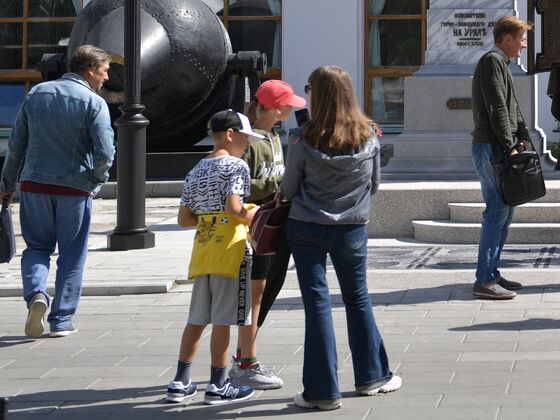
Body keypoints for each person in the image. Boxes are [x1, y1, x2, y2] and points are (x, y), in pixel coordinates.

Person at [282, 65, 401, 410]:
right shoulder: (370, 135)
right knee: (357, 297)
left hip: (307, 225)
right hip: (351, 227)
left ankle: (322, 392)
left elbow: (289, 188)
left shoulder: (302, 138)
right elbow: (374, 185)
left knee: (317, 304)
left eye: (309, 89)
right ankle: (372, 377)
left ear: (317, 95)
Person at [0, 44, 115, 339]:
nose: (106, 78)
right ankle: (61, 320)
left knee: (37, 248)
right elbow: (105, 152)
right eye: (104, 71)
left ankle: (37, 294)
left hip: (34, 186)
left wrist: (8, 184)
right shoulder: (94, 103)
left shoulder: (36, 94)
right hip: (74, 189)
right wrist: (95, 181)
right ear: (90, 70)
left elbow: (16, 145)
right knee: (72, 255)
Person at [164, 110, 264, 405]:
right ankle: (218, 384)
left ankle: (180, 382)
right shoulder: (236, 166)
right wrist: (255, 215)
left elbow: (184, 219)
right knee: (224, 319)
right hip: (231, 251)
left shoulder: (196, 169)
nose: (247, 145)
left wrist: (210, 218)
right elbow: (234, 208)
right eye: (245, 139)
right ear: (230, 135)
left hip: (203, 250)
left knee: (196, 319)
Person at [232, 79, 302, 390]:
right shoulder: (249, 141)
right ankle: (245, 361)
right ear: (276, 109)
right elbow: (238, 186)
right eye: (288, 105)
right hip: (256, 225)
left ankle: (244, 356)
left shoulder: (275, 137)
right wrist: (278, 186)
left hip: (275, 223)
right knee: (255, 294)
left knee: (269, 288)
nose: (291, 110)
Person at [471, 16, 534, 301]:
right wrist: (510, 146)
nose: (524, 44)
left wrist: (524, 137)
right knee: (496, 210)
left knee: (504, 211)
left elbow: (511, 108)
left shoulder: (500, 63)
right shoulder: (492, 62)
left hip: (497, 146)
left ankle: (492, 273)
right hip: (492, 147)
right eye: (522, 38)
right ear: (507, 38)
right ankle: (484, 280)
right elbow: (497, 107)